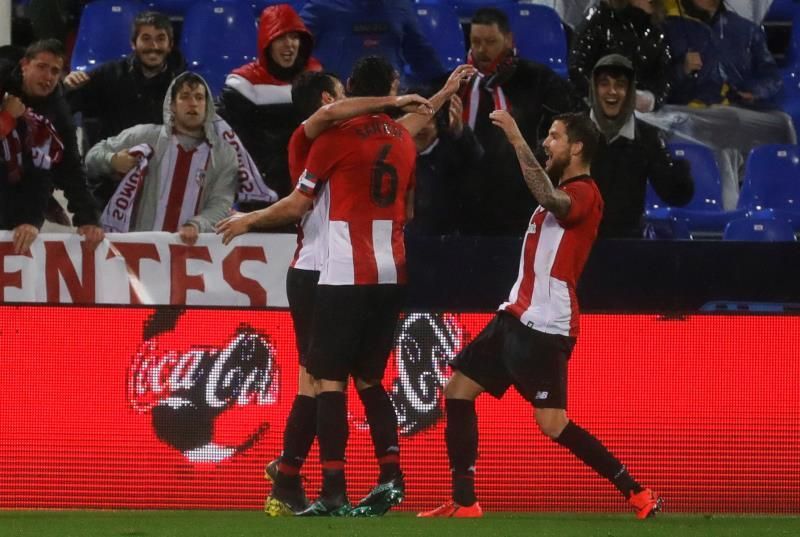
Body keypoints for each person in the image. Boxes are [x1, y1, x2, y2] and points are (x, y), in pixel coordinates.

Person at [418, 112, 662, 519]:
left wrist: (516, 137)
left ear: (577, 147)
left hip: (545, 324)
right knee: (456, 393)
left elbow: (552, 199)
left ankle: (636, 491)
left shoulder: (585, 192)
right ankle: (464, 503)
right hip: (513, 315)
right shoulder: (563, 192)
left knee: (551, 423)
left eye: (554, 136)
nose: (547, 143)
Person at [218, 56, 422, 517]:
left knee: (323, 379)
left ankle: (317, 483)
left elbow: (297, 203)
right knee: (358, 377)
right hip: (382, 268)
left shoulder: (336, 139)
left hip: (339, 268)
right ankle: (378, 476)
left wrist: (248, 219)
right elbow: (408, 209)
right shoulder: (390, 139)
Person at [458, 7, 583, 235]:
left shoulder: (538, 80)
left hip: (518, 201)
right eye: (475, 42)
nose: (481, 50)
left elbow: (568, 128)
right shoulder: (457, 83)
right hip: (466, 200)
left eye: (490, 42)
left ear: (508, 40)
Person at [85, 72, 237, 244]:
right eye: (185, 97)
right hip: (138, 251)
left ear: (207, 105)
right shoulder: (144, 136)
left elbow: (221, 203)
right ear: (171, 105)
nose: (193, 103)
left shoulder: (224, 155)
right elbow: (91, 158)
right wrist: (111, 160)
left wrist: (197, 225)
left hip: (191, 255)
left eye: (199, 97)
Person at [0, 39, 104, 249]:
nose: (47, 77)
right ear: (24, 65)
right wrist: (6, 118)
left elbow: (69, 167)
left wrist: (88, 219)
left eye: (55, 71)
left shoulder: (57, 114)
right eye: (41, 67)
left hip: (16, 190)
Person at [217, 4, 322, 207]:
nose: (290, 45)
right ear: (267, 43)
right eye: (281, 38)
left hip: (310, 191)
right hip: (262, 193)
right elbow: (233, 146)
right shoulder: (243, 85)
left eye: (294, 37)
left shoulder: (317, 79)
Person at [589, 54, 693, 238]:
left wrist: (680, 171)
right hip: (577, 245)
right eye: (604, 83)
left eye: (620, 85)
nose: (612, 91)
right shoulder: (573, 132)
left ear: (630, 92)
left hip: (627, 244)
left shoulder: (646, 136)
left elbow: (674, 194)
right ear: (594, 89)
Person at [299, 0, 447, 87]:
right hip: (339, 110)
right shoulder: (323, 5)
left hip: (391, 106)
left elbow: (421, 55)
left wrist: (445, 86)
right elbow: (295, 48)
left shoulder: (399, 5)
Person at [663, 0, 782, 107]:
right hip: (686, 120)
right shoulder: (668, 28)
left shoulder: (747, 30)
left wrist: (754, 92)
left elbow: (771, 77)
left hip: (737, 119)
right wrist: (683, 69)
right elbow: (655, 84)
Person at [570, 0, 672, 112]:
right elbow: (577, 67)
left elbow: (663, 80)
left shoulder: (658, 30)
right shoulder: (601, 15)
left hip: (640, 114)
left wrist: (651, 99)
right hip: (597, 107)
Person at [405, 92, 483, 236]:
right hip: (403, 244)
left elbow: (477, 162)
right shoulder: (391, 156)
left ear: (437, 122)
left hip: (450, 244)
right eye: (414, 118)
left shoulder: (454, 151)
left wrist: (460, 132)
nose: (421, 126)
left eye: (426, 118)